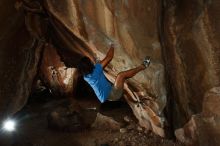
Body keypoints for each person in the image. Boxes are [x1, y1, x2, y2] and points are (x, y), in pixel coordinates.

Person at [77, 44, 151, 103]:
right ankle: (143, 66)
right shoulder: (96, 71)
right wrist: (112, 45)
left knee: (118, 78)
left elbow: (96, 69)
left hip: (107, 95)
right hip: (113, 94)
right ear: (89, 65)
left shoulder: (86, 77)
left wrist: (97, 63)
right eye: (90, 62)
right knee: (121, 75)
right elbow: (109, 57)